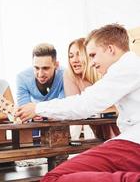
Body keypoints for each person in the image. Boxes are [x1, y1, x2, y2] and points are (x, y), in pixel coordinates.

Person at [16, 24, 140, 181]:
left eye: (93, 55)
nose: (92, 62)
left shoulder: (126, 67)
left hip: (134, 144)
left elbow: (86, 104)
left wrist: (38, 108)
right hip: (131, 142)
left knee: (53, 177)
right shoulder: (131, 67)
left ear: (110, 49)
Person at [64, 38, 120, 140]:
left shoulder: (105, 72)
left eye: (78, 54)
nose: (74, 60)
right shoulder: (70, 75)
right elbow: (74, 106)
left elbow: (117, 108)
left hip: (118, 126)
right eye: (70, 56)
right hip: (94, 127)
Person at [16, 43, 64, 137]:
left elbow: (63, 106)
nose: (40, 74)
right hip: (34, 121)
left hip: (57, 120)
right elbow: (25, 110)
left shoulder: (65, 75)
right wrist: (35, 113)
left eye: (45, 68)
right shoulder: (22, 77)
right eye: (36, 68)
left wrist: (38, 109)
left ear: (56, 65)